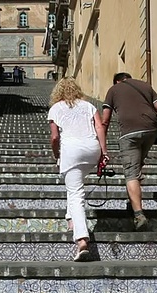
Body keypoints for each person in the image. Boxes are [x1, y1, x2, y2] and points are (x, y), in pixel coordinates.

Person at [101, 72, 157, 231]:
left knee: (131, 173)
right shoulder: (146, 86)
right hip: (151, 130)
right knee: (137, 165)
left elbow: (105, 120)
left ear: (117, 81)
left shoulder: (114, 90)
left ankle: (139, 214)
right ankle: (134, 200)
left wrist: (101, 143)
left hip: (129, 133)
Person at [48, 78, 109, 261]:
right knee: (74, 183)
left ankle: (82, 240)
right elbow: (99, 127)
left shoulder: (55, 108)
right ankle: (70, 218)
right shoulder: (88, 106)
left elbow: (54, 137)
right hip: (92, 149)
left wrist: (56, 154)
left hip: (72, 151)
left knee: (75, 193)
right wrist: (104, 152)